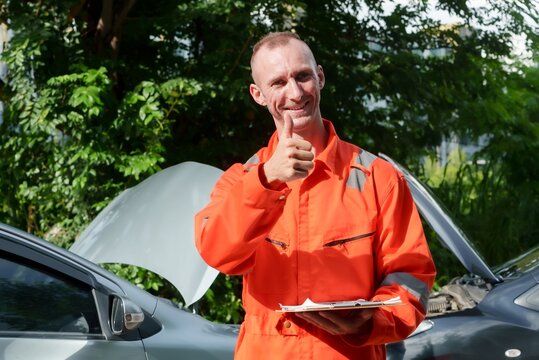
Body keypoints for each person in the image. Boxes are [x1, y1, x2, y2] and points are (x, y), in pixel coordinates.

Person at [195, 31, 436, 360]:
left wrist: (370, 323)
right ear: (258, 94)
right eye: (278, 83)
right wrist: (268, 180)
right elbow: (218, 254)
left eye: (303, 76)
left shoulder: (377, 177)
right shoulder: (242, 179)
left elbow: (412, 276)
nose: (294, 93)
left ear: (320, 77)